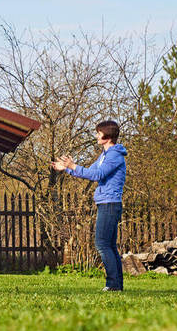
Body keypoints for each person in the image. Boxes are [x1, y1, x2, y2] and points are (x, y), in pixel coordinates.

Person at [51, 121, 127, 291]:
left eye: (98, 133)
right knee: (110, 245)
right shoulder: (105, 155)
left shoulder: (114, 155)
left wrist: (72, 165)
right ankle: (116, 285)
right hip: (105, 203)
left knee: (101, 244)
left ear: (107, 135)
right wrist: (67, 169)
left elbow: (97, 174)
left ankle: (113, 285)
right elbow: (90, 173)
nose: (96, 136)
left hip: (110, 203)